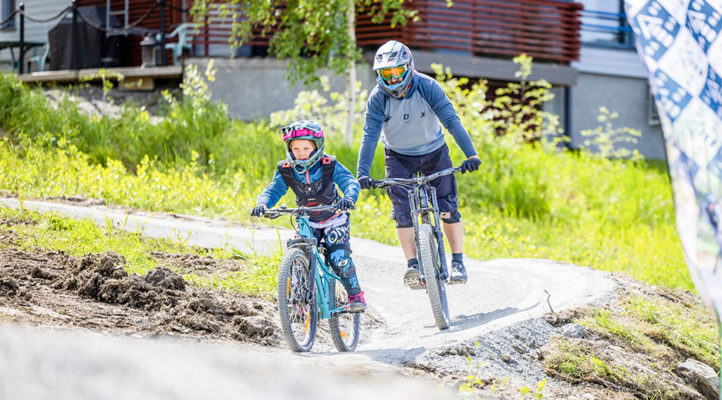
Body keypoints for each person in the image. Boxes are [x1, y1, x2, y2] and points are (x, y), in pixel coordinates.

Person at [356, 40, 481, 289]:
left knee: (448, 207)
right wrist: (362, 173)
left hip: (434, 152)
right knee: (402, 213)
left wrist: (471, 155)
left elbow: (452, 122)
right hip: (398, 156)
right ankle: (413, 265)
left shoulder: (427, 86)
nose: (392, 79)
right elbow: (369, 136)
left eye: (397, 72)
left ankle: (457, 262)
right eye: (385, 74)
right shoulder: (378, 98)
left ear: (409, 67)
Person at [251, 120, 366, 312]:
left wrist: (349, 197)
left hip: (334, 218)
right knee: (298, 252)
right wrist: (262, 204)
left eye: (306, 147)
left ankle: (355, 295)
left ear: (317, 147)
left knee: (339, 258)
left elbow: (349, 182)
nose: (301, 152)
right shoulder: (286, 169)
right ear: (289, 149)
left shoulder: (329, 165)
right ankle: (298, 299)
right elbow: (274, 190)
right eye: (295, 148)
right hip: (307, 220)